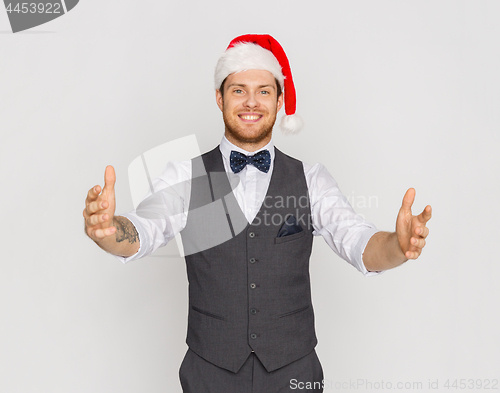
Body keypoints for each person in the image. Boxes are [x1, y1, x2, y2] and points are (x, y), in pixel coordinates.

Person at [83, 34, 432, 393]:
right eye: (238, 90)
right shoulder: (186, 177)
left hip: (294, 371)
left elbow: (359, 241)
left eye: (264, 91)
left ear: (279, 100)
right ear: (219, 98)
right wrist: (108, 229)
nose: (251, 101)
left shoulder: (311, 180)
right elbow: (141, 230)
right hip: (209, 371)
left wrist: (397, 245)